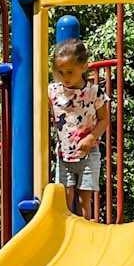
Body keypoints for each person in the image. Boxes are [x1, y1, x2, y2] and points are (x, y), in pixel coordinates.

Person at [48, 38, 110, 218]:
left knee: (84, 197)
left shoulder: (94, 92)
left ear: (83, 67)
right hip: (64, 154)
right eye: (60, 72)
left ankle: (88, 229)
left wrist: (92, 137)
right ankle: (67, 232)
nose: (65, 77)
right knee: (65, 197)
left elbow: (104, 119)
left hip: (89, 153)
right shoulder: (53, 91)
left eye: (69, 72)